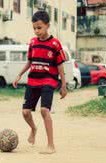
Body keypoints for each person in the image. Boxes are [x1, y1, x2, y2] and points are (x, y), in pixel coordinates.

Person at [12, 11, 67, 154]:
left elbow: (60, 65)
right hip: (33, 80)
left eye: (39, 27)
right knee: (25, 112)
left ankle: (51, 145)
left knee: (44, 110)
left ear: (47, 26)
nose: (37, 31)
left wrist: (64, 85)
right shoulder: (32, 42)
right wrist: (19, 75)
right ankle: (34, 129)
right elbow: (30, 61)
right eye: (34, 28)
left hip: (48, 80)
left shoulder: (55, 44)